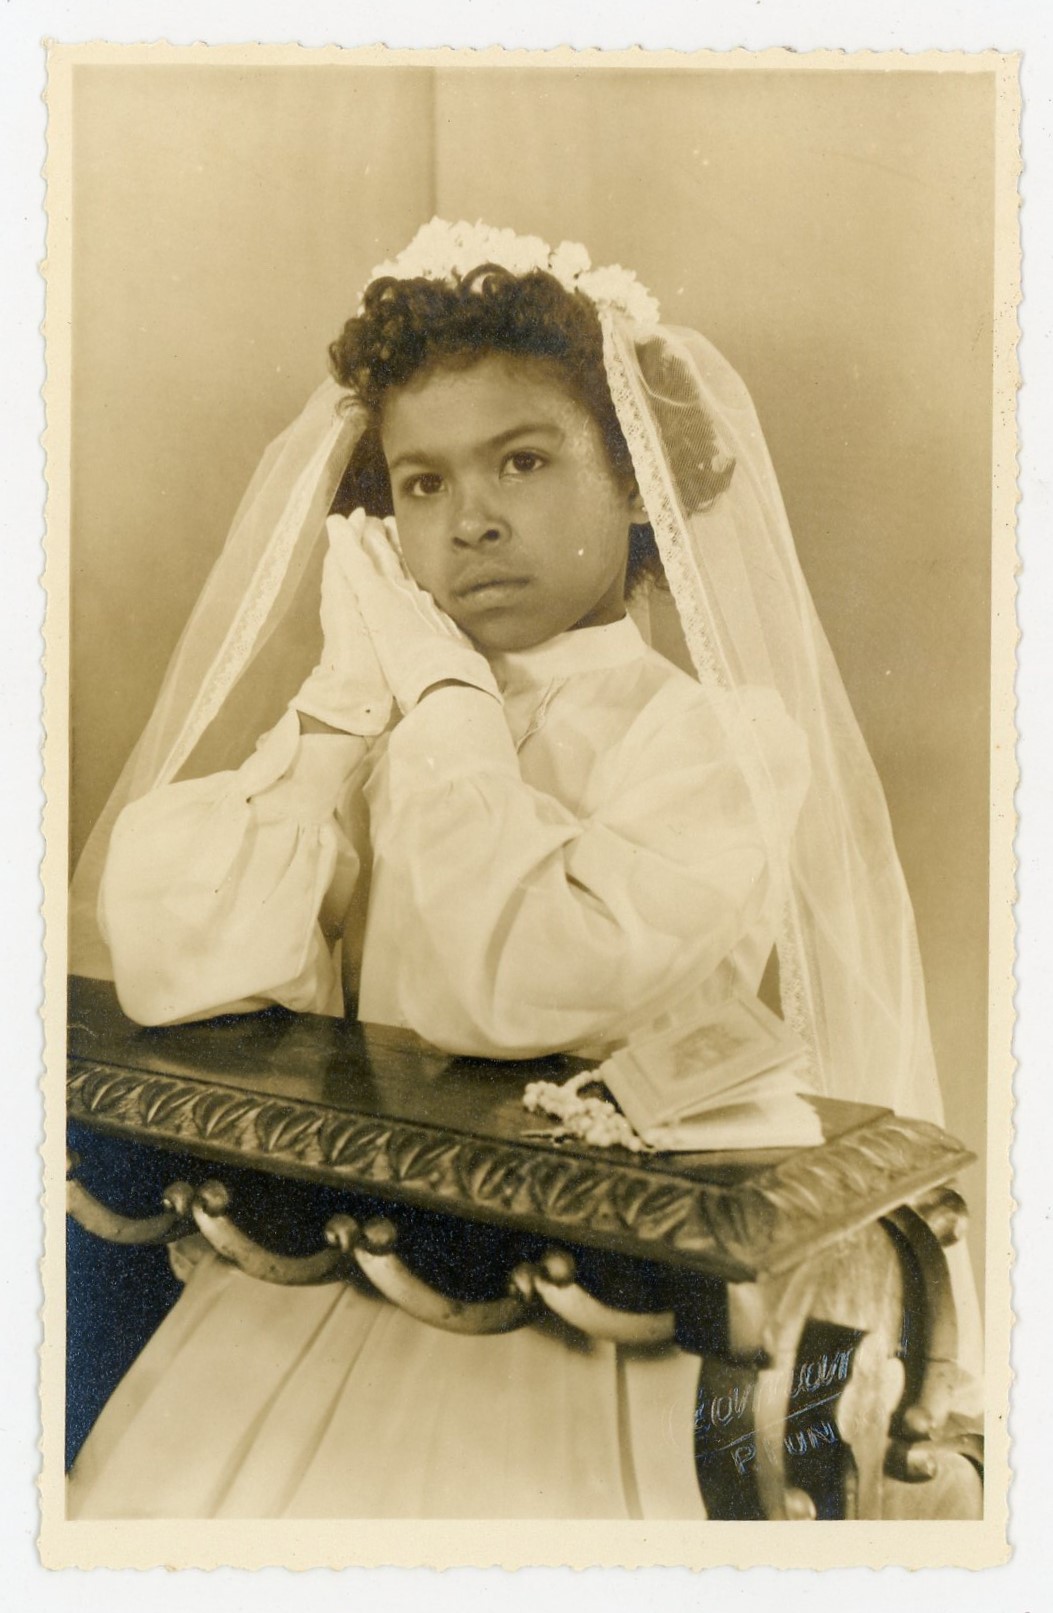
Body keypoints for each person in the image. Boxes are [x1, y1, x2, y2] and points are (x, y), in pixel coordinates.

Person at [66, 221, 978, 1519]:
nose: (472, 518)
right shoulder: (381, 721)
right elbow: (181, 968)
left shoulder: (712, 744)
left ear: (635, 485)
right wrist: (340, 711)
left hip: (601, 1308)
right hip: (349, 1266)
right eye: (421, 484)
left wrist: (443, 700)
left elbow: (518, 987)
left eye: (525, 461)